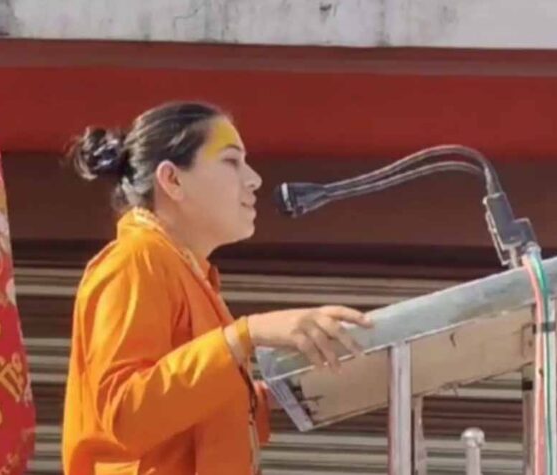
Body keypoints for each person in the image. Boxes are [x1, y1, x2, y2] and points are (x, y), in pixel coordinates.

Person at [61, 101, 373, 475]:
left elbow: (191, 413)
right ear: (172, 180)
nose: (254, 179)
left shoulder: (187, 271)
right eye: (231, 161)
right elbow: (126, 413)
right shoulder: (134, 260)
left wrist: (294, 389)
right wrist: (247, 334)